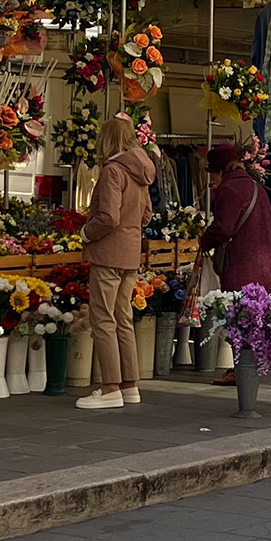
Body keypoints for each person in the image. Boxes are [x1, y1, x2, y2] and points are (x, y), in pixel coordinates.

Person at [78, 114, 155, 409]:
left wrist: (86, 232)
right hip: (130, 254)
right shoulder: (141, 171)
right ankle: (129, 384)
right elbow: (146, 215)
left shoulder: (113, 170)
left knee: (103, 318)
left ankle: (110, 387)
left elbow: (108, 217)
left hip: (108, 253)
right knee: (124, 318)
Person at [193, 142, 271, 386]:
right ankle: (251, 366)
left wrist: (204, 240)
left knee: (239, 318)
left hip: (242, 264)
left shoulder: (228, 190)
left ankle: (241, 369)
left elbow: (223, 228)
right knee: (256, 318)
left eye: (212, 173)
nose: (211, 179)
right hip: (264, 263)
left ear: (220, 170)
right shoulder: (256, 187)